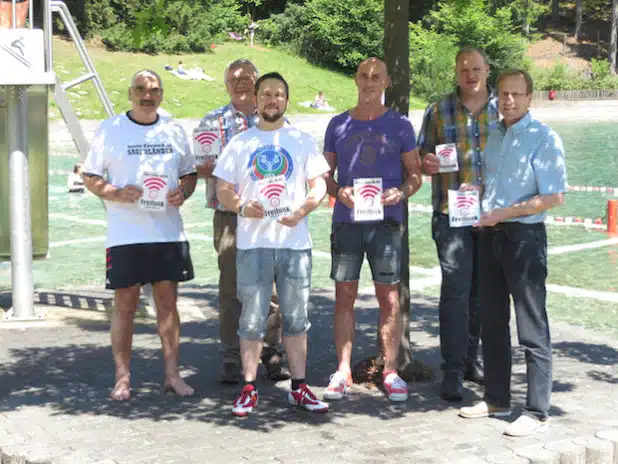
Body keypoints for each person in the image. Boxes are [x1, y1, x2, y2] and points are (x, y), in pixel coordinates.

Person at [213, 72, 331, 416]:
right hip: (253, 244)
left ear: (286, 101)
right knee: (251, 318)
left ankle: (299, 387)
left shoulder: (301, 140)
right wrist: (239, 205)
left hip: (294, 244)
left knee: (296, 318)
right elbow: (223, 189)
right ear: (256, 99)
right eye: (266, 94)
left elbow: (319, 185)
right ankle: (249, 388)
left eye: (279, 94)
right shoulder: (240, 143)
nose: (272, 100)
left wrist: (304, 209)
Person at [459, 69, 567, 437]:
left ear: (529, 98)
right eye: (504, 94)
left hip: (524, 239)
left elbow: (554, 197)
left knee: (531, 327)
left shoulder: (544, 138)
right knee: (492, 323)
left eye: (516, 95)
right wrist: (473, 188)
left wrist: (507, 212)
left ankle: (537, 411)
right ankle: (496, 399)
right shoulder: (493, 133)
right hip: (490, 238)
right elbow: (492, 182)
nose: (508, 101)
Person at [82, 69, 197, 401]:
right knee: (125, 306)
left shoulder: (174, 129)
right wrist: (116, 193)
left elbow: (188, 174)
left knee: (167, 305)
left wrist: (183, 193)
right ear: (130, 93)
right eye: (141, 89)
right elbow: (90, 176)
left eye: (155, 90)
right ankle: (123, 377)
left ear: (161, 94)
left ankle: (173, 375)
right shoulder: (111, 129)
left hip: (167, 234)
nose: (148, 95)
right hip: (125, 235)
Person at [322, 57, 422, 403]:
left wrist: (402, 192)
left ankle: (390, 371)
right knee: (344, 296)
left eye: (376, 76)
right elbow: (324, 177)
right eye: (364, 76)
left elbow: (415, 175)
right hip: (347, 223)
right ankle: (343, 369)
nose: (369, 81)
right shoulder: (337, 124)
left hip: (386, 223)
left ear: (386, 82)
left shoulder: (401, 125)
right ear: (356, 80)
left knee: (389, 298)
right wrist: (339, 191)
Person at [195, 59, 288, 384]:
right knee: (231, 288)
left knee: (271, 286)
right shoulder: (211, 122)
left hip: (266, 216)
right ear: (226, 85)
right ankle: (232, 356)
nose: (241, 83)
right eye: (234, 79)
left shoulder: (274, 120)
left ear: (257, 82)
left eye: (247, 78)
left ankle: (272, 352)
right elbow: (199, 165)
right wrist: (209, 168)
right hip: (228, 215)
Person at [417, 46, 499, 401]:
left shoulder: (504, 108)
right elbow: (422, 155)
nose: (470, 75)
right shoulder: (438, 109)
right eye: (464, 69)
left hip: (494, 216)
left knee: (483, 292)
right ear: (456, 72)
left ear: (487, 70)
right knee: (455, 291)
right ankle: (451, 370)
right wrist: (428, 163)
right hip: (451, 216)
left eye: (476, 68)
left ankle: (470, 358)